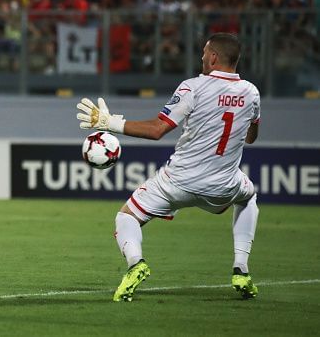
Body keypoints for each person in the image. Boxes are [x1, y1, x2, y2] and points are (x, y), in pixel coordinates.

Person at [76, 33, 260, 302]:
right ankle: (241, 269)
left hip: (178, 182)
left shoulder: (192, 87)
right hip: (224, 185)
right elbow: (251, 137)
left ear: (213, 57)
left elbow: (157, 130)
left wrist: (110, 122)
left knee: (127, 217)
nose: (201, 57)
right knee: (248, 196)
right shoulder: (251, 92)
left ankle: (136, 264)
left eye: (204, 52)